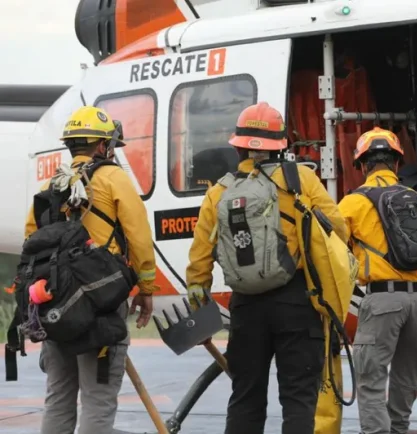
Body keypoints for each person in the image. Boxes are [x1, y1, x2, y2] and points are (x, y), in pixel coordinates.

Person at [184, 101, 349, 434]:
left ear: (239, 144)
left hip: (245, 307)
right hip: (297, 303)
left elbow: (199, 263)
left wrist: (199, 310)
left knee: (245, 396)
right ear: (281, 143)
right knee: (299, 397)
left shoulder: (219, 192)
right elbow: (338, 229)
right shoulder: (300, 179)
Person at [23, 106, 157, 434]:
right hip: (101, 307)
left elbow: (32, 237)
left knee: (59, 397)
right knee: (98, 399)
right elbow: (139, 236)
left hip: (56, 305)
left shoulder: (54, 184)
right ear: (101, 146)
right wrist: (147, 288)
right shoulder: (113, 178)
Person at [338, 127, 417, 434]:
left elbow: (332, 248)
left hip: (383, 300)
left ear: (362, 165)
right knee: (407, 379)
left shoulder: (352, 203)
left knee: (370, 380)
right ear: (397, 163)